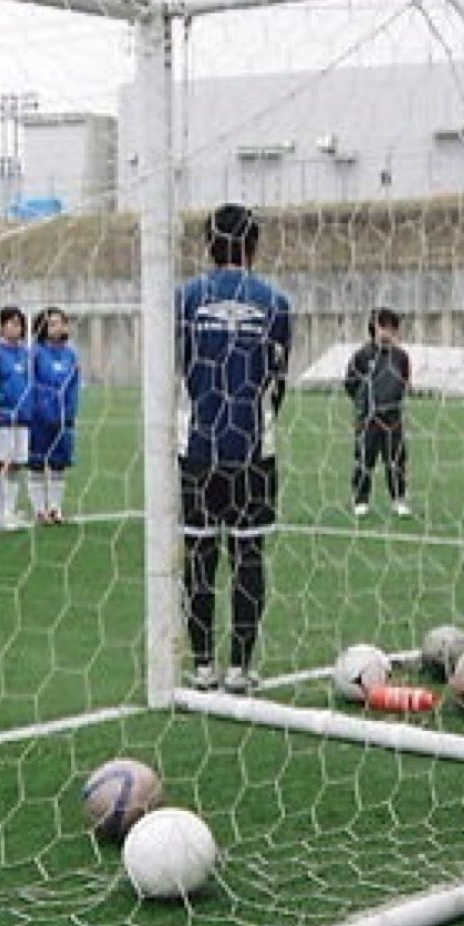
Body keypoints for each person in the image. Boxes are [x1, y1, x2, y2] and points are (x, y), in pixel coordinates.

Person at [177, 203, 291, 694]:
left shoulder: (183, 299)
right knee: (249, 554)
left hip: (195, 447)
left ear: (208, 243)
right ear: (255, 244)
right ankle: (241, 668)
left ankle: (202, 666)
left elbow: (173, 371)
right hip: (252, 448)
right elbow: (278, 380)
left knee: (199, 553)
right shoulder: (275, 302)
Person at [344, 307, 412, 518]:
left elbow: (405, 382)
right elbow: (350, 384)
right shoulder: (362, 356)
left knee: (396, 460)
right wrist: (363, 405)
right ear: (374, 328)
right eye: (383, 327)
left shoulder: (401, 357)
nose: (387, 332)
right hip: (369, 418)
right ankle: (361, 500)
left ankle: (398, 500)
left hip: (393, 418)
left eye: (392, 328)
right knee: (365, 459)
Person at [29, 306, 81, 525]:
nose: (58, 327)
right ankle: (39, 510)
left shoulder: (71, 355)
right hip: (40, 418)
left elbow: (75, 386)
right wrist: (39, 410)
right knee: (37, 463)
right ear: (42, 327)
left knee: (59, 463)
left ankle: (55, 508)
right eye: (52, 323)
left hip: (63, 418)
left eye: (61, 322)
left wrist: (69, 411)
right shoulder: (35, 353)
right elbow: (31, 385)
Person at [0, 305, 33, 531]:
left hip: (22, 418)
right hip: (1, 418)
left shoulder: (26, 353)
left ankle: (8, 513)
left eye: (19, 323)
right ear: (1, 326)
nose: (16, 328)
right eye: (11, 323)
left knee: (14, 465)